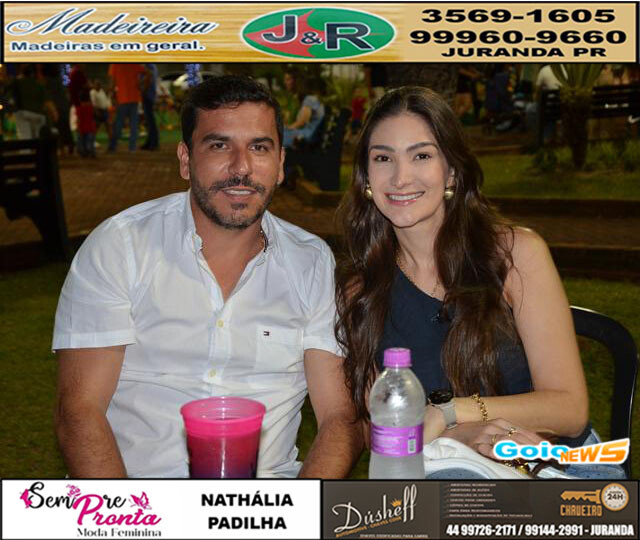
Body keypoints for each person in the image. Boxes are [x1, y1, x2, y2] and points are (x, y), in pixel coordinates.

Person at [53, 75, 362, 479]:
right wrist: (130, 511)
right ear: (185, 159)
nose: (241, 167)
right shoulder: (121, 246)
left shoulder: (311, 261)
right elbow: (79, 412)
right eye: (219, 146)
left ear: (281, 164)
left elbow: (340, 416)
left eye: (259, 147)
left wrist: (300, 509)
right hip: (142, 496)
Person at [335, 86, 625, 479]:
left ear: (452, 172)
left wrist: (449, 413)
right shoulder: (360, 290)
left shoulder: (514, 254)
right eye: (383, 158)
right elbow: (383, 431)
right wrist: (459, 436)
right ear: (366, 177)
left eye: (422, 155)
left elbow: (570, 411)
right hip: (446, 468)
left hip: (553, 464)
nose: (401, 178)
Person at [107, 63, 146, 152]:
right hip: (134, 97)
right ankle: (132, 148)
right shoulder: (133, 63)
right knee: (133, 125)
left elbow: (112, 83)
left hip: (122, 98)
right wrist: (141, 84)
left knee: (118, 124)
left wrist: (110, 94)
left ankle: (113, 146)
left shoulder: (114, 65)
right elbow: (147, 73)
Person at [140, 63, 159, 150]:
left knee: (150, 121)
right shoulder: (150, 65)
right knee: (149, 121)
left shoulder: (149, 66)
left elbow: (148, 78)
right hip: (149, 95)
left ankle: (154, 143)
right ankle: (150, 141)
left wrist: (143, 91)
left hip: (148, 95)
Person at [75, 88, 96, 158]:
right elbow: (94, 117)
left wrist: (77, 127)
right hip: (91, 127)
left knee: (82, 142)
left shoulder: (79, 108)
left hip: (82, 128)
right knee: (90, 142)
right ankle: (92, 152)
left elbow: (79, 119)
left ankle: (84, 153)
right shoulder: (91, 107)